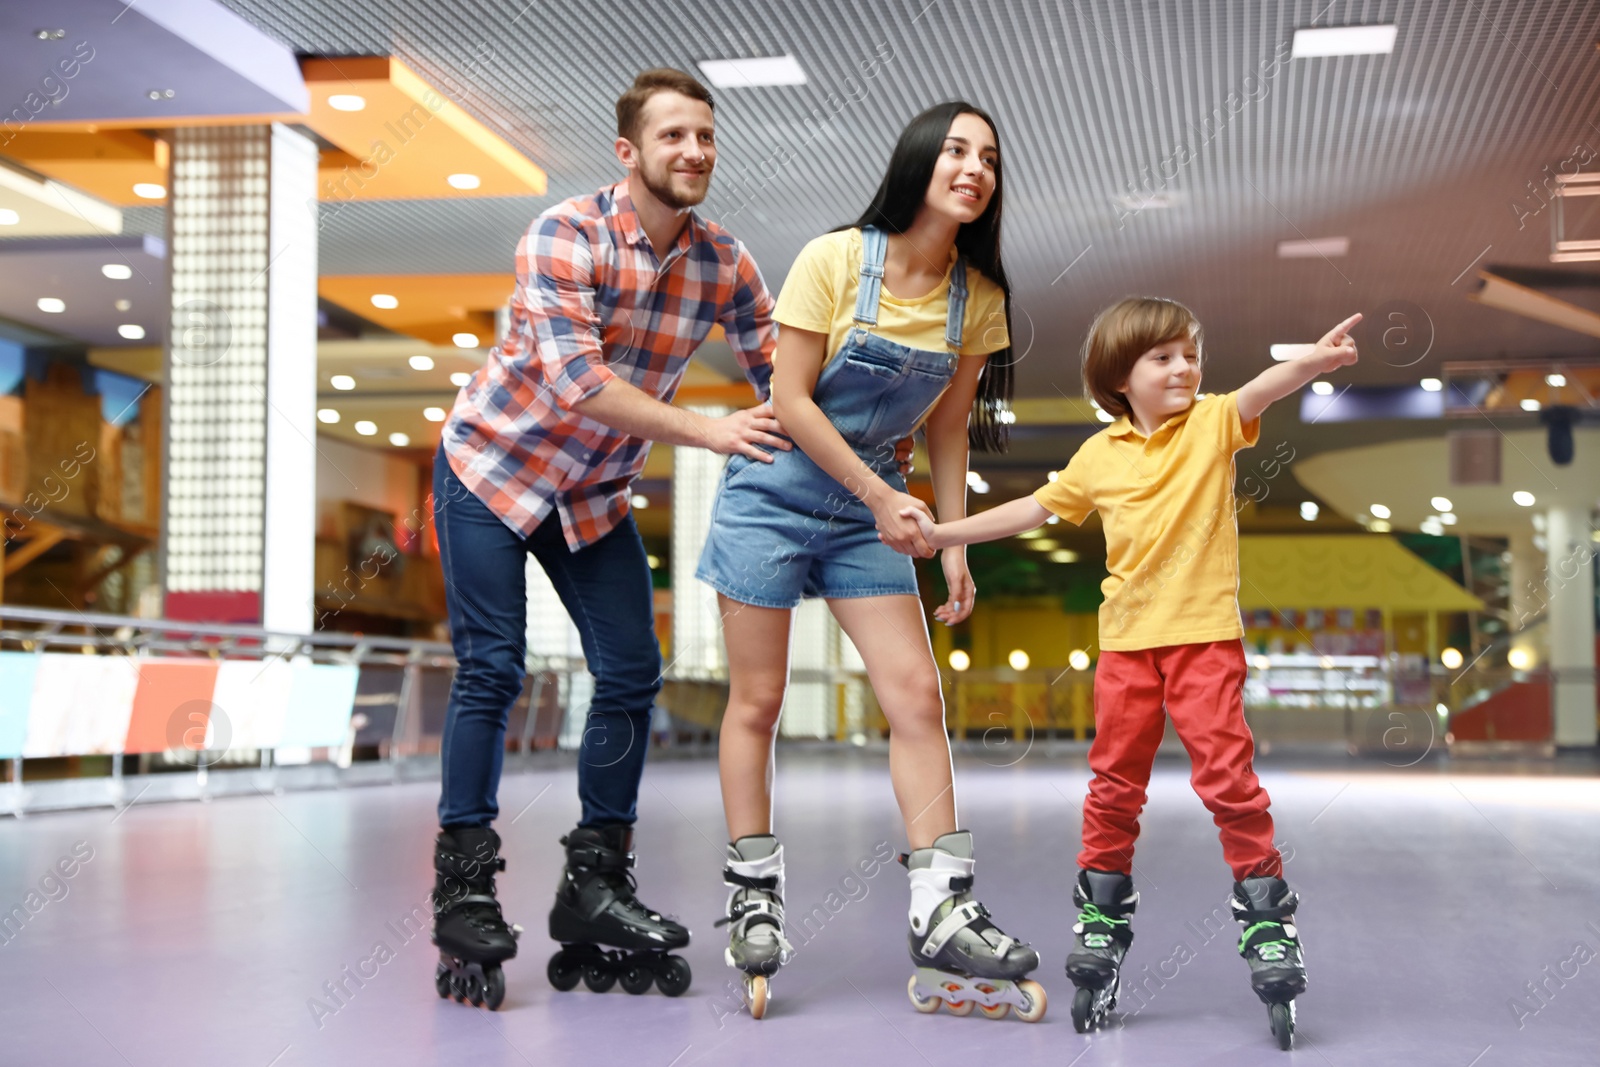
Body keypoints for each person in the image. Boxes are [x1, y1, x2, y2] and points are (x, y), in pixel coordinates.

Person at [900, 297, 1360, 1046]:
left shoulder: (1212, 424)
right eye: (1164, 357)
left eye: (1190, 354)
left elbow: (1261, 390)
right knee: (1114, 785)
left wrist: (1313, 362)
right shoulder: (1099, 456)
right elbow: (1030, 511)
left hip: (1204, 640)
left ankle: (1267, 916)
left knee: (1228, 781)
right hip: (1126, 648)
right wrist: (942, 534)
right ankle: (1102, 916)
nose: (1185, 367)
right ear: (1121, 377)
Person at [429, 68, 788, 1008]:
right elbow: (580, 385)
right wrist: (712, 429)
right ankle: (464, 883)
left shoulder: (726, 263)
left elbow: (786, 377)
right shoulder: (563, 235)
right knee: (492, 667)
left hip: (591, 492)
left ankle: (596, 880)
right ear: (628, 153)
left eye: (705, 136)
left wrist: (875, 441)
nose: (695, 152)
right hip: (493, 470)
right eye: (674, 136)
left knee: (632, 670)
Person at [697, 101, 1046, 1023]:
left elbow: (945, 428)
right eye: (958, 151)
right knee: (759, 702)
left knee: (916, 696)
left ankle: (942, 907)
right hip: (773, 494)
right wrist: (882, 497)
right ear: (920, 160)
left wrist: (956, 543)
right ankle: (755, 895)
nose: (974, 168)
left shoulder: (981, 297)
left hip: (871, 522)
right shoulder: (836, 258)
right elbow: (793, 400)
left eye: (990, 159)